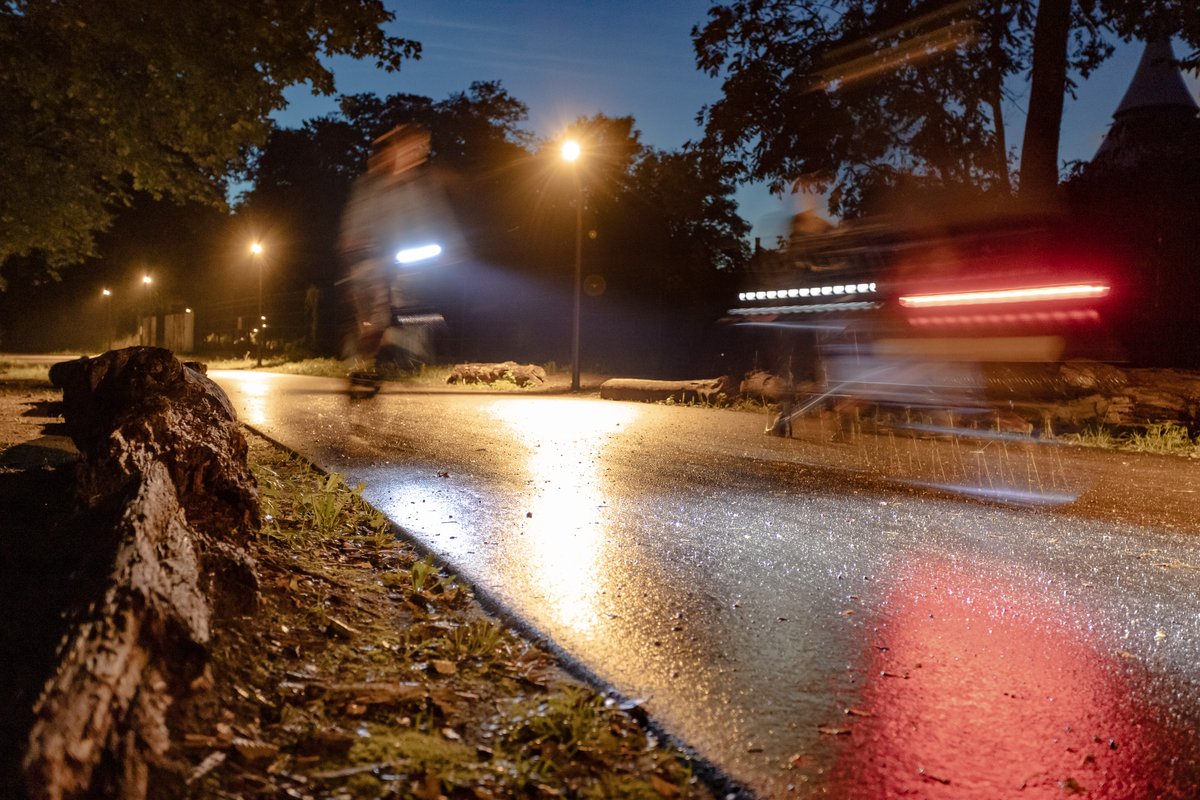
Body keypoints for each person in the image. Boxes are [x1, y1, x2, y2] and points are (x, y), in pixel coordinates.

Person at [337, 124, 457, 385]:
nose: (419, 153)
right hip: (371, 257)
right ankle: (363, 360)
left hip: (404, 257)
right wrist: (356, 241)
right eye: (412, 147)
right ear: (397, 149)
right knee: (376, 314)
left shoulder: (422, 186)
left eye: (423, 149)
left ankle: (403, 343)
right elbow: (355, 221)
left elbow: (438, 218)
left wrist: (452, 247)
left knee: (411, 304)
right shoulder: (371, 185)